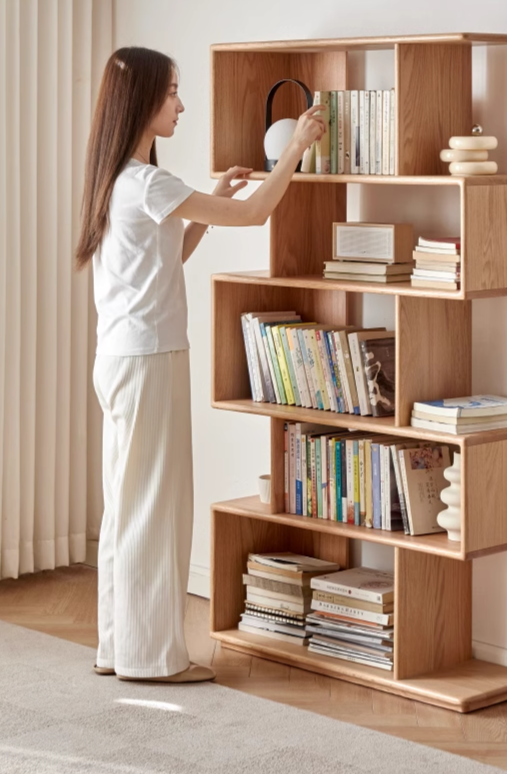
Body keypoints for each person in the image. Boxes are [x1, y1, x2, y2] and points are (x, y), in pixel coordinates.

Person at [75, 46, 325, 684]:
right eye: (172, 94)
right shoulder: (147, 183)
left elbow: (166, 256)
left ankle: (118, 646)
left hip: (122, 358)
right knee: (157, 508)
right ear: (142, 102)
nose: (181, 106)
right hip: (150, 360)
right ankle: (153, 659)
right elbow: (255, 213)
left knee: (129, 506)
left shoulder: (119, 181)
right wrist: (294, 147)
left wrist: (209, 199)